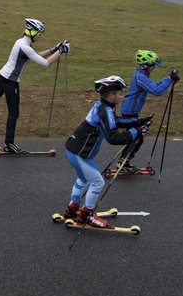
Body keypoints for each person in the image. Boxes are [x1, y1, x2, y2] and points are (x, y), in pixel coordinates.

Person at [0, 18, 69, 153]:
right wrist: (60, 51)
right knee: (13, 113)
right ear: (32, 32)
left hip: (2, 76)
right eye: (39, 34)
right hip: (10, 82)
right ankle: (9, 144)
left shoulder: (21, 42)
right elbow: (45, 63)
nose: (39, 37)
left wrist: (54, 49)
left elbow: (34, 55)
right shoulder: (25, 47)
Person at [61, 76, 148, 228]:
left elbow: (116, 121)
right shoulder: (104, 110)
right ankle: (86, 216)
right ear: (112, 95)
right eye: (120, 94)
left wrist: (139, 121)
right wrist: (136, 132)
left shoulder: (104, 106)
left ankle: (72, 209)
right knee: (97, 182)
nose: (123, 96)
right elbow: (113, 138)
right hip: (79, 154)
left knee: (83, 180)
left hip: (75, 151)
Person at [117, 49, 180, 172]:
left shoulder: (141, 75)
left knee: (137, 138)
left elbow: (154, 85)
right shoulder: (140, 77)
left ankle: (124, 161)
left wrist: (169, 79)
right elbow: (157, 91)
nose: (154, 68)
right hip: (129, 111)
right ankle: (123, 162)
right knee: (137, 137)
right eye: (153, 66)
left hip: (131, 110)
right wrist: (169, 80)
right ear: (146, 66)